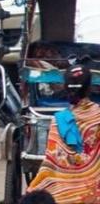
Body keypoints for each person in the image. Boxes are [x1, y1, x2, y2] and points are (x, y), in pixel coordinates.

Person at [26, 62, 100, 203]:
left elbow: (51, 162)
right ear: (90, 87)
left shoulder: (58, 120)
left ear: (65, 88)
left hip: (63, 195)